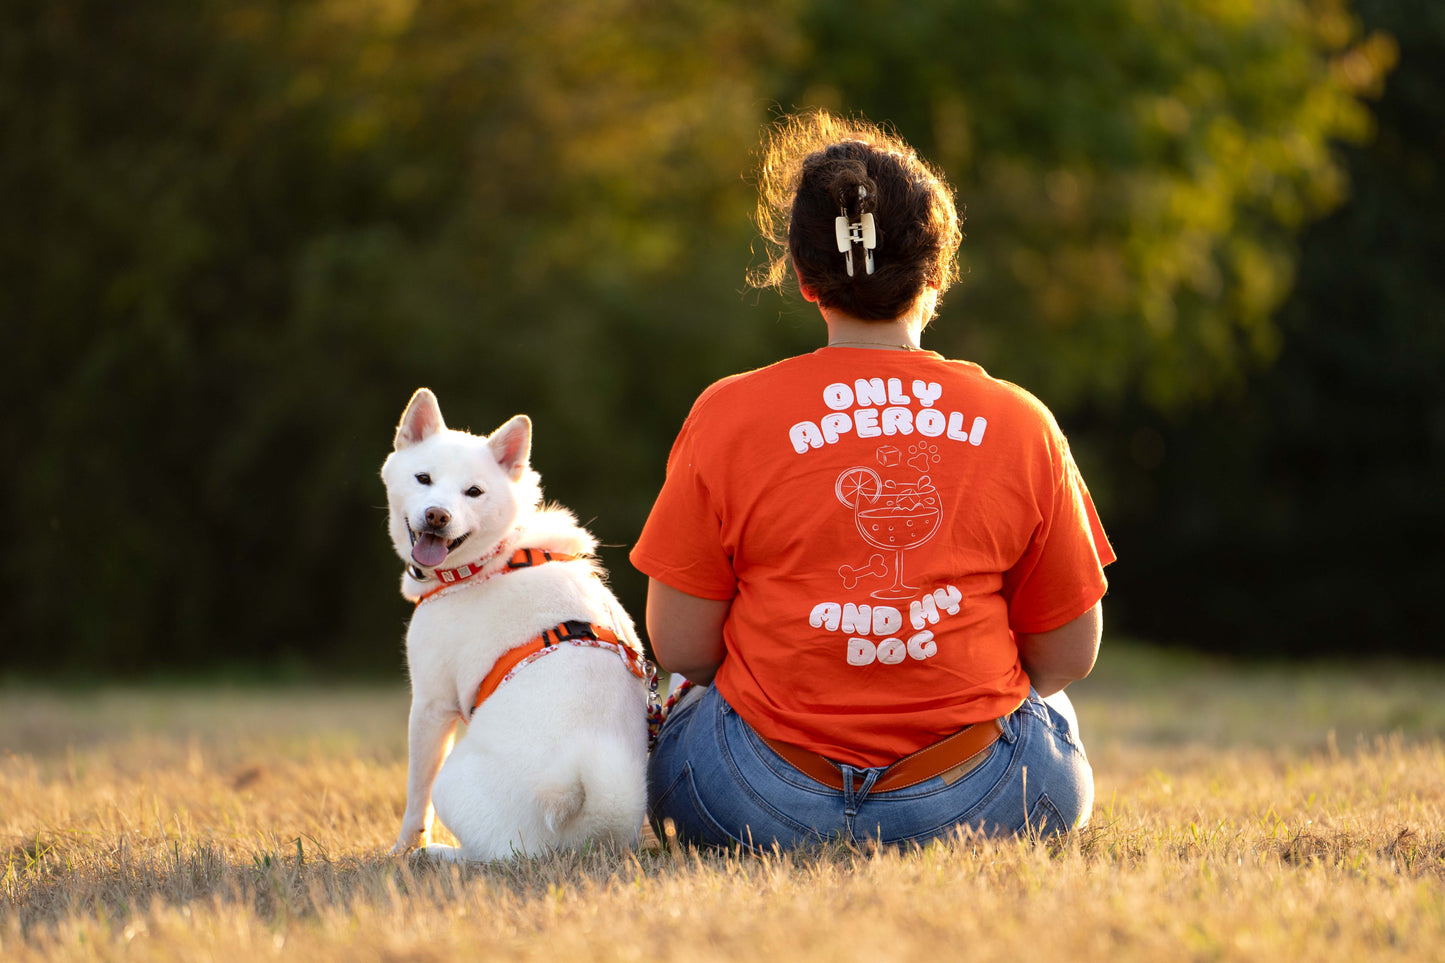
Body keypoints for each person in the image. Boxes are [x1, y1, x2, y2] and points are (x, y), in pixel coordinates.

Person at [631, 110, 1115, 850]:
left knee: (682, 703)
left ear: (801, 275)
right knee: (1051, 715)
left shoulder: (727, 413)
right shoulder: (1019, 422)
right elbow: (1068, 654)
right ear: (938, 269)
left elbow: (681, 645)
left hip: (752, 804)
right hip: (982, 804)